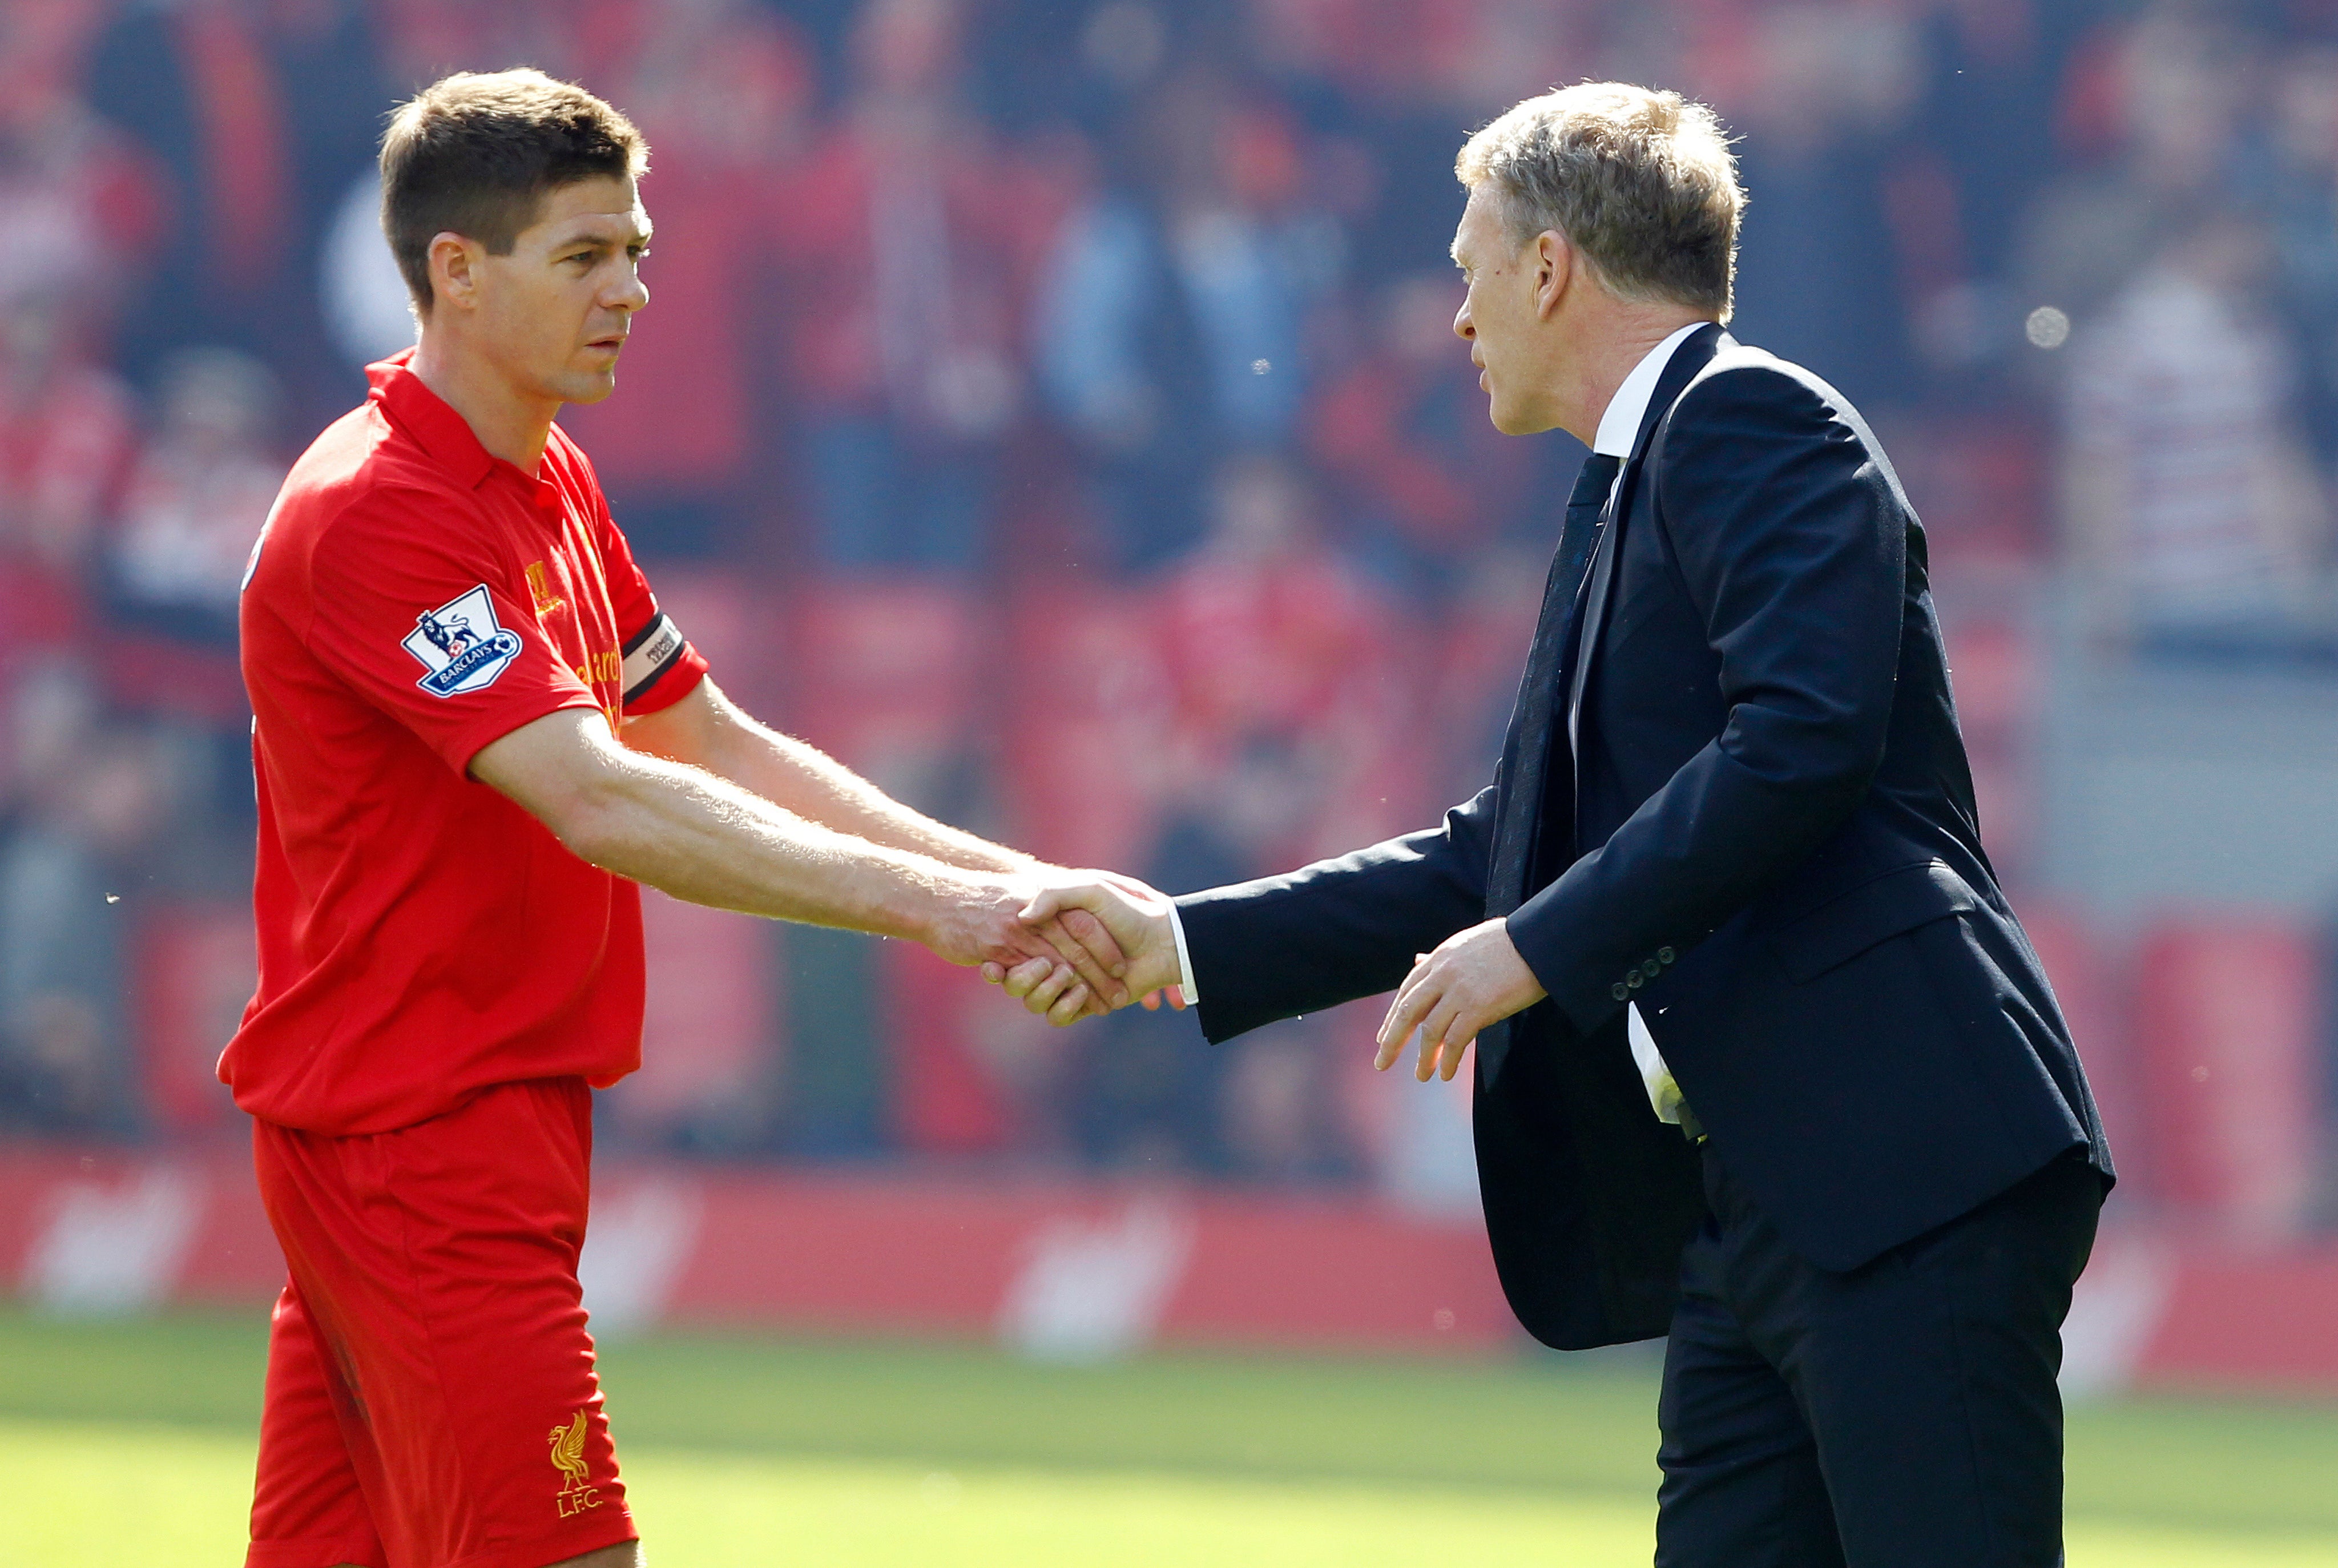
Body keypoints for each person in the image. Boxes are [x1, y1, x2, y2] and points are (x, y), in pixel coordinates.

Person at [1004, 82, 2113, 1567]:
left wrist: (1537, 947)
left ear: (1549, 269)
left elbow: (1801, 743)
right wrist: (1189, 938)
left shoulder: (1752, 419)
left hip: (1900, 1166)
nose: (1456, 319)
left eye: (1470, 270)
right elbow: (1503, 847)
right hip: (1757, 1196)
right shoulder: (1635, 482)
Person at [227, 69, 1127, 1568]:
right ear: (457, 271)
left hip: (447, 1120)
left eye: (636, 251)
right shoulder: (382, 509)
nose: (633, 291)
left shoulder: (550, 476)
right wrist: (944, 916)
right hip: (420, 1136)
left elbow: (700, 727)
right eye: (586, 257)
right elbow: (599, 791)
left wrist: (1009, 877)